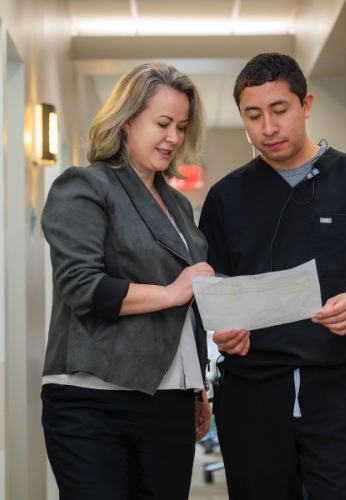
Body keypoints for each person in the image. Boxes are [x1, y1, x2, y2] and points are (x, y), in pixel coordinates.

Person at [198, 53, 346, 500]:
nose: (268, 127)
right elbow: (212, 291)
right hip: (253, 391)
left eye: (279, 111)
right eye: (253, 115)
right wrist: (223, 331)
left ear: (306, 104)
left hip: (338, 390)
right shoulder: (226, 197)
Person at [41, 61, 215, 500]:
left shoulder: (178, 206)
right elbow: (82, 286)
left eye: (181, 125)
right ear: (126, 122)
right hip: (91, 399)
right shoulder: (84, 187)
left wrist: (196, 386)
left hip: (170, 401)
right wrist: (172, 291)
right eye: (162, 123)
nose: (173, 137)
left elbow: (190, 304)